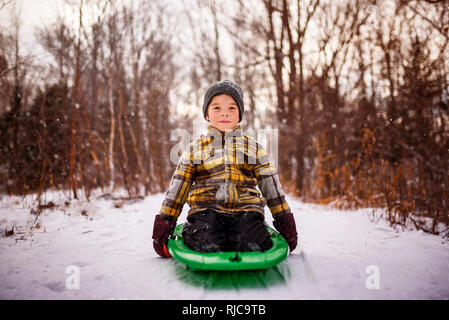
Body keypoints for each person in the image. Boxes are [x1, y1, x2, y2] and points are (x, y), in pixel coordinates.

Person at [152, 80, 298, 257]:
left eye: (231, 108)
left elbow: (272, 189)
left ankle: (245, 237)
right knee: (208, 242)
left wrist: (286, 224)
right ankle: (207, 238)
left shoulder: (253, 148)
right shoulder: (195, 150)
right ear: (207, 114)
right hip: (206, 213)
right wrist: (164, 227)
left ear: (240, 115)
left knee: (251, 242)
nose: (225, 114)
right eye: (217, 108)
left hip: (246, 212)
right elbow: (177, 191)